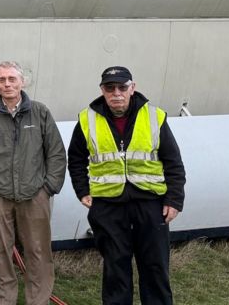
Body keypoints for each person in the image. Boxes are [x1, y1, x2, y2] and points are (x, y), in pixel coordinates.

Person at [67, 66, 186, 305]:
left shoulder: (154, 116)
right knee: (115, 270)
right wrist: (82, 190)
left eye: (122, 87)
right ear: (102, 90)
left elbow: (173, 162)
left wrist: (174, 200)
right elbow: (76, 159)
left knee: (155, 268)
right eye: (110, 88)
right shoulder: (86, 119)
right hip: (108, 207)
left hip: (151, 204)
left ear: (133, 87)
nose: (116, 93)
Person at [0, 60, 66, 305]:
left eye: (12, 79)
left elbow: (55, 152)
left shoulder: (40, 112)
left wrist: (48, 188)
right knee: (0, 253)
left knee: (38, 252)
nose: (7, 84)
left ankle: (38, 300)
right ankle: (4, 301)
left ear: (22, 82)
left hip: (35, 195)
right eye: (2, 79)